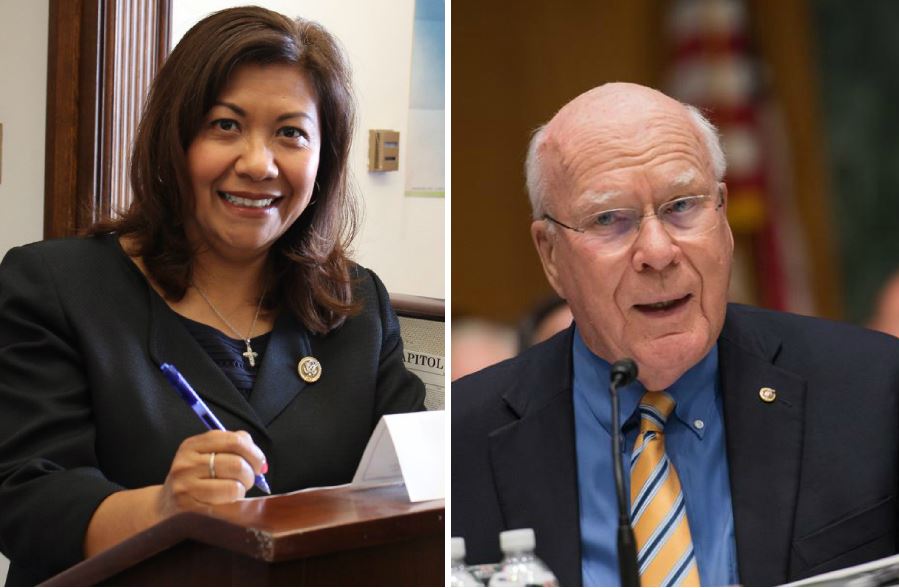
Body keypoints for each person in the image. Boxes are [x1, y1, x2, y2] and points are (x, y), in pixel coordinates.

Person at [0, 7, 424, 585]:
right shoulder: (53, 286)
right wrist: (162, 509)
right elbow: (24, 498)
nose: (257, 163)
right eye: (225, 125)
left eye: (291, 133)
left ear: (324, 160)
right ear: (173, 137)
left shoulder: (359, 306)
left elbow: (415, 483)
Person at [451, 82, 899, 587]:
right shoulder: (460, 442)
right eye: (609, 219)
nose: (658, 252)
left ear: (724, 216)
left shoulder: (873, 388)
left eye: (682, 205)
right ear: (551, 254)